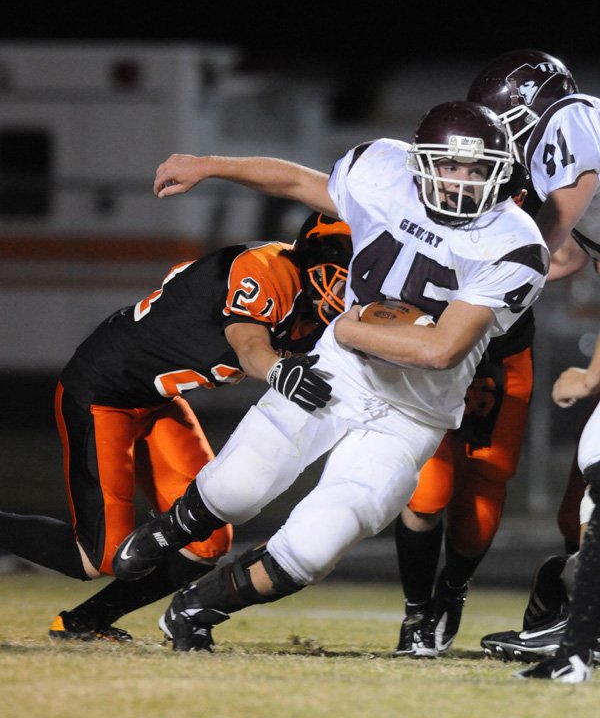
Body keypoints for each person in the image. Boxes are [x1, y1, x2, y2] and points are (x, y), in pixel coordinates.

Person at [110, 101, 548, 655]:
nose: (461, 182)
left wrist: (348, 331)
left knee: (316, 547)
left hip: (413, 411)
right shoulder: (381, 171)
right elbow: (295, 179)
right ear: (420, 162)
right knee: (236, 485)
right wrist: (208, 163)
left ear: (498, 175)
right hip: (339, 375)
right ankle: (170, 529)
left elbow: (441, 349)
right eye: (449, 166)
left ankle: (201, 605)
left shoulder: (514, 242)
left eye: (476, 170)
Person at [0, 212, 351, 642]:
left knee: (207, 539)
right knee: (98, 556)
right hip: (104, 389)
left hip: (158, 399)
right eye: (350, 275)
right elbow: (249, 344)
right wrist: (279, 370)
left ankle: (82, 624)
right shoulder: (269, 268)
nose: (354, 289)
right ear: (321, 258)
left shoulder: (316, 310)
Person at [468, 48, 600, 683]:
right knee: (587, 479)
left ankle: (581, 634)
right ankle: (578, 627)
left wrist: (466, 275)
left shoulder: (571, 118)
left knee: (595, 475)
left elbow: (548, 238)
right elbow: (571, 259)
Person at [394, 163, 537, 657]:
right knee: (428, 489)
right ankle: (416, 612)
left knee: (483, 487)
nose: (459, 182)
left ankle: (451, 590)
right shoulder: (410, 193)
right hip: (429, 350)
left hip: (498, 355)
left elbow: (560, 255)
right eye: (450, 168)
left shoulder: (530, 198)